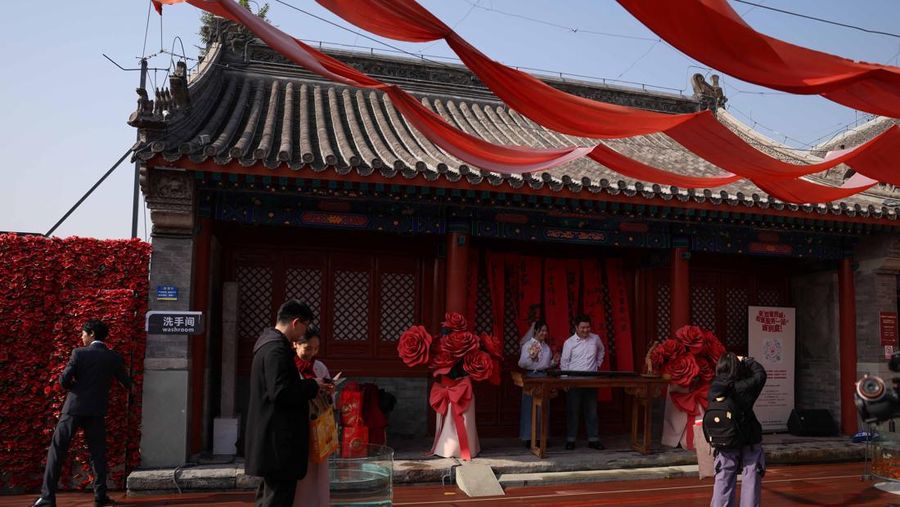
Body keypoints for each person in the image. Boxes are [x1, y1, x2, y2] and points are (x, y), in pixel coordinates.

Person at [32, 319, 132, 507]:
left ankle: (47, 498)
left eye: (83, 333)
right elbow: (127, 383)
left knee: (57, 450)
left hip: (74, 408)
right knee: (98, 453)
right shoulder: (113, 357)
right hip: (96, 410)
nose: (82, 337)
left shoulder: (79, 353)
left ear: (92, 333)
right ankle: (100, 497)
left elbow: (64, 380)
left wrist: (76, 388)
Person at [245, 300, 334, 507]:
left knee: (269, 497)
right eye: (305, 326)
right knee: (277, 499)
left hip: (272, 437)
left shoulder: (268, 345)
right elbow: (281, 391)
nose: (303, 332)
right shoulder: (277, 350)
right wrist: (313, 385)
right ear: (296, 323)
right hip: (278, 440)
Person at [709, 352, 767, 507]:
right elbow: (760, 374)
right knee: (751, 478)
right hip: (749, 437)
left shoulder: (714, 387)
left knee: (723, 478)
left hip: (725, 438)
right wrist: (747, 361)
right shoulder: (744, 387)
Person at [292, 328, 331, 507]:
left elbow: (330, 397)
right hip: (299, 423)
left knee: (319, 470)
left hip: (319, 425)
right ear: (296, 344)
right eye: (308, 348)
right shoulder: (289, 366)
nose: (312, 353)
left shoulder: (319, 367)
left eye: (315, 349)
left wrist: (329, 390)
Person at [560, 314, 605, 450]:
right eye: (583, 327)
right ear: (576, 327)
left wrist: (598, 364)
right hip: (574, 381)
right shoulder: (569, 343)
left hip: (591, 380)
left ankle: (593, 439)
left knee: (592, 411)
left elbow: (602, 351)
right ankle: (571, 439)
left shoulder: (595, 339)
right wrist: (565, 381)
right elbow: (564, 362)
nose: (586, 330)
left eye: (588, 327)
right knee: (573, 411)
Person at [518, 320, 554, 448]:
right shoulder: (528, 345)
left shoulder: (547, 347)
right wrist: (531, 358)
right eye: (541, 331)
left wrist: (554, 362)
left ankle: (542, 437)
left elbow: (546, 364)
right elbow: (522, 363)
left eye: (545, 331)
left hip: (543, 377)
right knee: (530, 407)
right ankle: (529, 437)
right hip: (531, 377)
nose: (544, 333)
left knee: (544, 407)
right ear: (536, 331)